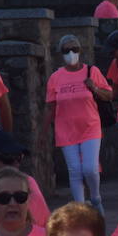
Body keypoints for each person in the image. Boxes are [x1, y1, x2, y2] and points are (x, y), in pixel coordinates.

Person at [46, 35, 112, 210]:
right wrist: (45, 131)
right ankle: (80, 208)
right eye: (66, 50)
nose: (71, 53)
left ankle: (96, 198)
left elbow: (109, 95)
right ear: (61, 54)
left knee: (90, 168)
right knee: (75, 170)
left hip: (90, 127)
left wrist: (94, 88)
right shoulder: (55, 77)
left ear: (80, 51)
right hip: (66, 130)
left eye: (74, 49)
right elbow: (51, 106)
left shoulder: (92, 71)